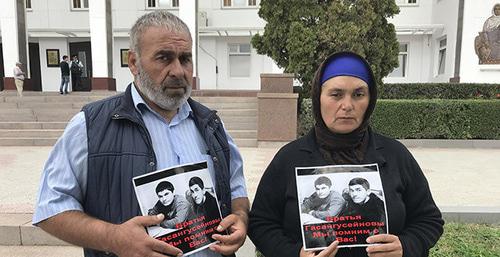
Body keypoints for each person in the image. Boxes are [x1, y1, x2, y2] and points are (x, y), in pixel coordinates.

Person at [33, 10, 249, 257]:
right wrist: (114, 238)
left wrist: (240, 219)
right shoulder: (91, 126)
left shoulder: (211, 124)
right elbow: (50, 208)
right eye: (164, 58)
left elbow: (236, 191)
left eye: (185, 58)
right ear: (134, 63)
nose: (178, 70)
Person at [248, 52, 444, 257]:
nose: (347, 105)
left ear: (370, 100)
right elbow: (261, 223)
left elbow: (429, 220)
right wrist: (294, 253)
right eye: (336, 94)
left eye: (358, 94)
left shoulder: (395, 155)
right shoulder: (289, 158)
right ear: (318, 97)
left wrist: (407, 246)